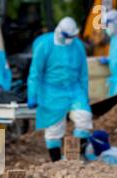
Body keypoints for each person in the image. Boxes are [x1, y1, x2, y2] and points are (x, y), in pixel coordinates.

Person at [27, 17, 93, 162]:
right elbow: (35, 73)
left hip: (74, 89)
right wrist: (32, 94)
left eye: (73, 37)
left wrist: (85, 94)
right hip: (51, 91)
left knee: (84, 118)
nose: (70, 40)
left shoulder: (78, 46)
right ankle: (57, 163)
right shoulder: (45, 46)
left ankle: (73, 157)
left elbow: (83, 73)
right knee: (54, 129)